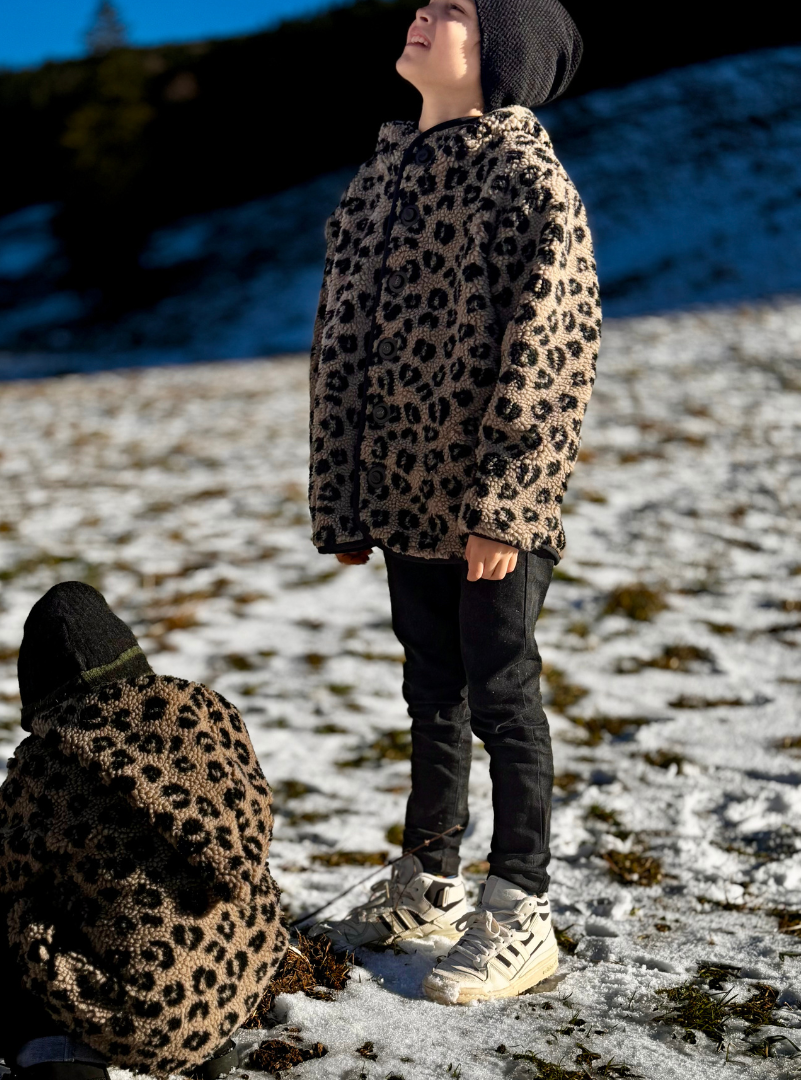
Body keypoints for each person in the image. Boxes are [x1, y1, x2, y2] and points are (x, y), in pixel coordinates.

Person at [307, 0, 598, 1005]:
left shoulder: (524, 179)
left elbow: (551, 346)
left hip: (491, 510)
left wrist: (506, 504)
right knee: (431, 691)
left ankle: (522, 910)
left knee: (503, 696)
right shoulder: (379, 180)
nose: (425, 13)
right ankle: (428, 881)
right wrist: (342, 500)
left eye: (458, 9)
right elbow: (340, 349)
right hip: (404, 500)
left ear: (502, 57)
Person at [0, 583, 288, 1078]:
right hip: (236, 979)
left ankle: (57, 1052)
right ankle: (213, 1043)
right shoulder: (211, 718)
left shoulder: (53, 760)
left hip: (138, 1013)